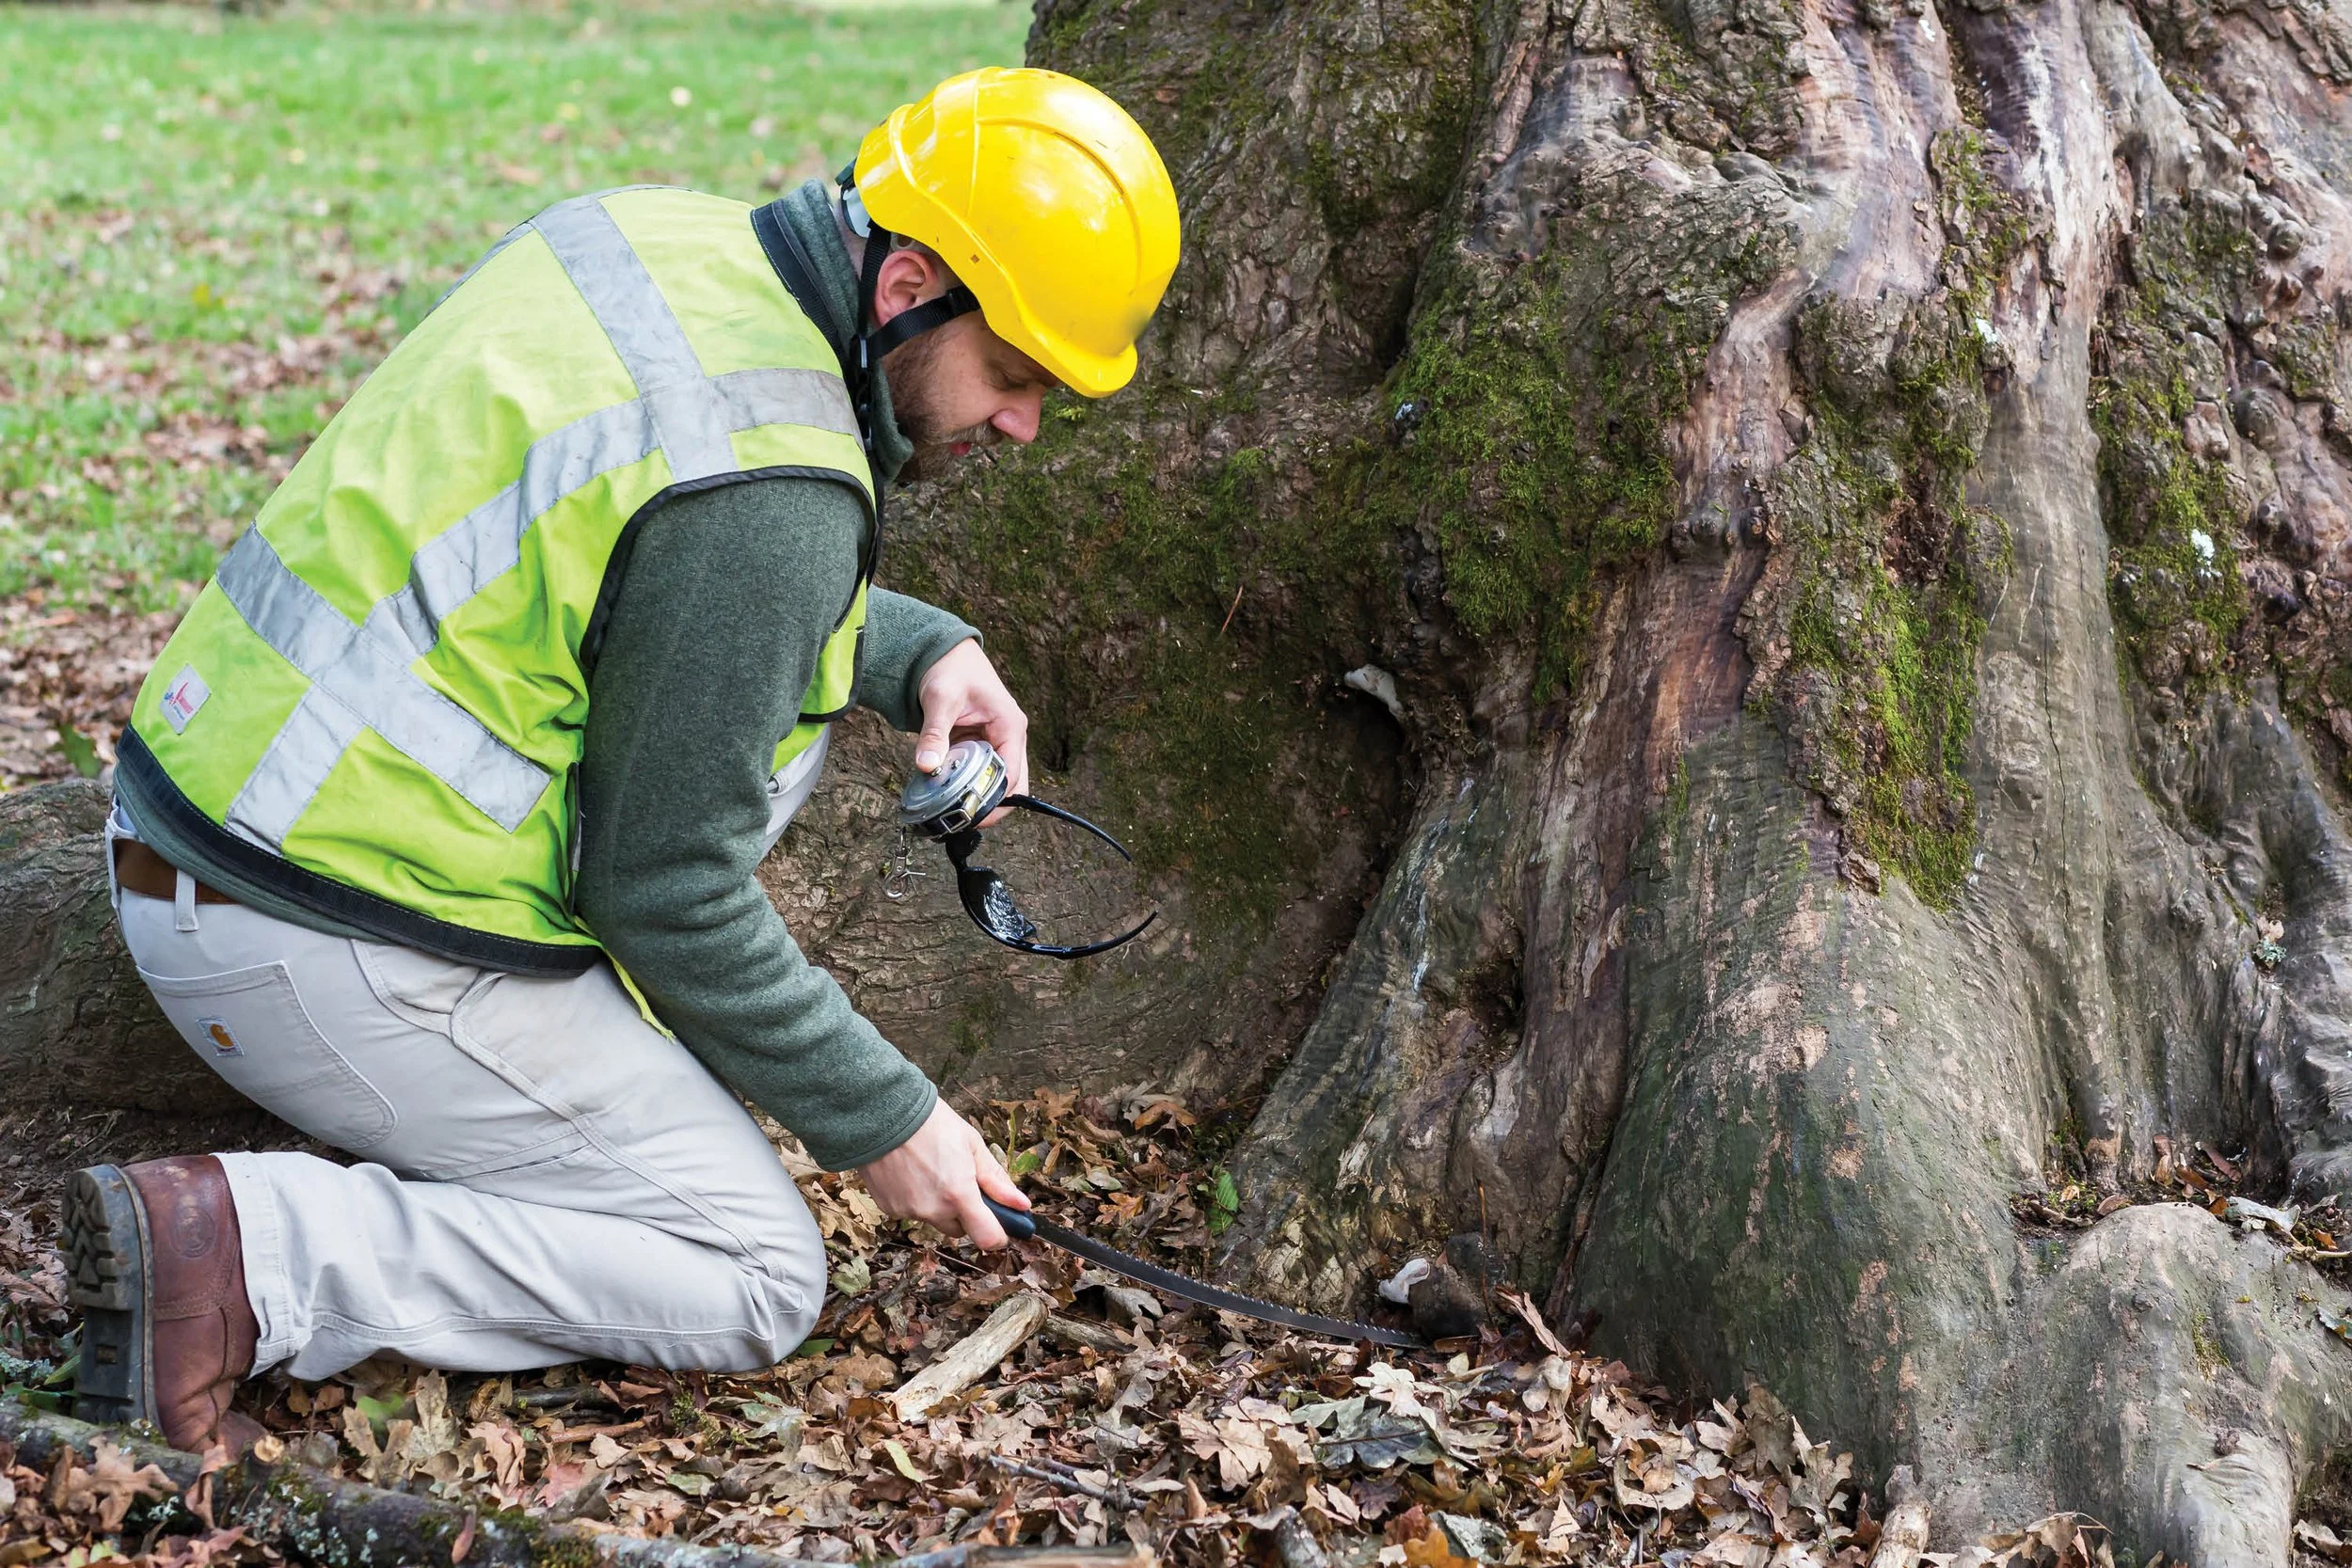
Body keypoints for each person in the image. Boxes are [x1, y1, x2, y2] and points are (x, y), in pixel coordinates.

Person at [64, 67, 1181, 1455]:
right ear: (907, 287)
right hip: (323, 931)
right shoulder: (775, 500)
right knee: (758, 1271)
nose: (1017, 421)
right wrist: (887, 1118)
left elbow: (639, 570)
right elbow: (666, 891)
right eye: (1013, 373)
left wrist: (912, 647)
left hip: (204, 823)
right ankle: (242, 1256)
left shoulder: (662, 241)